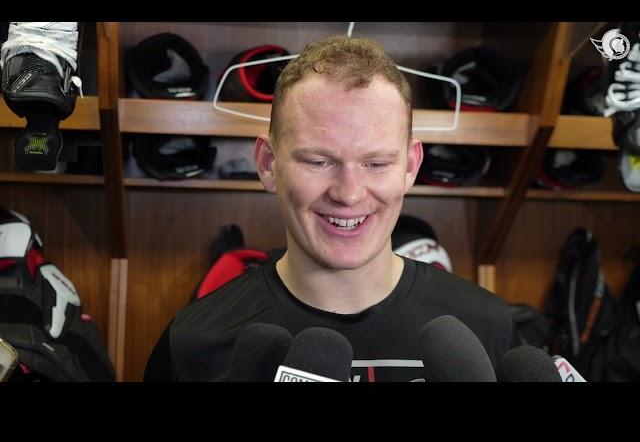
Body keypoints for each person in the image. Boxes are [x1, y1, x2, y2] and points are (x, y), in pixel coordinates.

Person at [143, 35, 523, 382]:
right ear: (267, 164)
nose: (349, 193)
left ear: (409, 167)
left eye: (376, 164)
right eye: (318, 161)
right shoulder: (193, 343)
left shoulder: (487, 326)